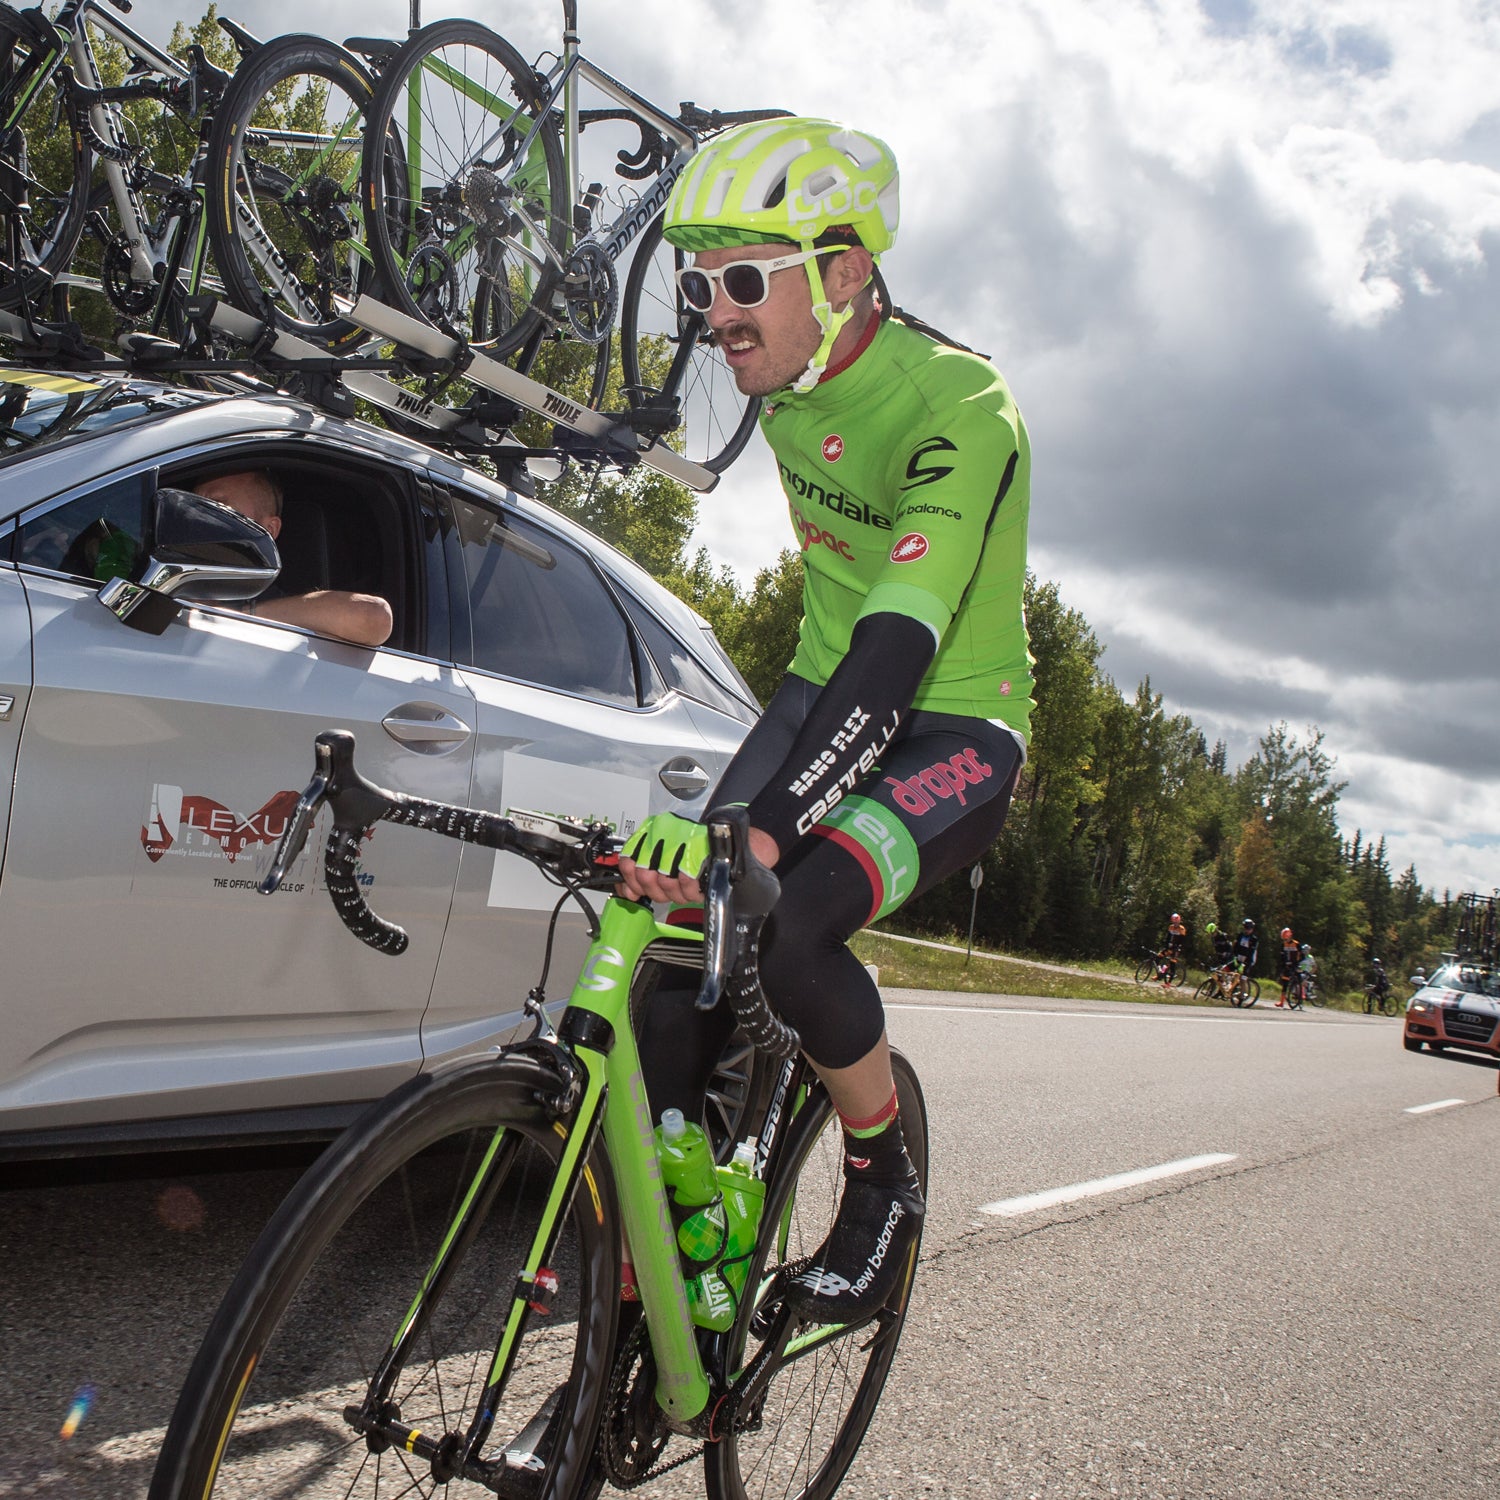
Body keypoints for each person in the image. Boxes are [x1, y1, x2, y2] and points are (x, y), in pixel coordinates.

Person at [617, 118, 1032, 1322]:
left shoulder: (963, 402)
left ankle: (881, 1184)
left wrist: (773, 827)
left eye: (747, 280)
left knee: (793, 921)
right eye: (702, 286)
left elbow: (898, 646)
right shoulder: (791, 389)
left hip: (954, 725)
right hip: (820, 692)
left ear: (847, 272)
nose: (716, 314)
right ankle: (677, 1235)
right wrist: (728, 834)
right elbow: (827, 658)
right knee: (676, 937)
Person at [190, 470, 393, 647]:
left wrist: (232, 617)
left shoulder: (277, 608)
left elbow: (373, 617)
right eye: (193, 506)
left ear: (268, 529)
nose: (194, 517)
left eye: (218, 505)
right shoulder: (162, 571)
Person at [1277, 927, 1300, 1007]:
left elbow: (1301, 955)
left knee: (1298, 978)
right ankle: (1282, 1002)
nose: (1285, 940)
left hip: (1295, 964)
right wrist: (1283, 965)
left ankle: (1298, 994)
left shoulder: (1296, 944)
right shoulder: (1283, 945)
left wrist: (1298, 963)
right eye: (1284, 939)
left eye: (1286, 938)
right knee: (1285, 982)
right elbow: (1282, 957)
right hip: (1287, 965)